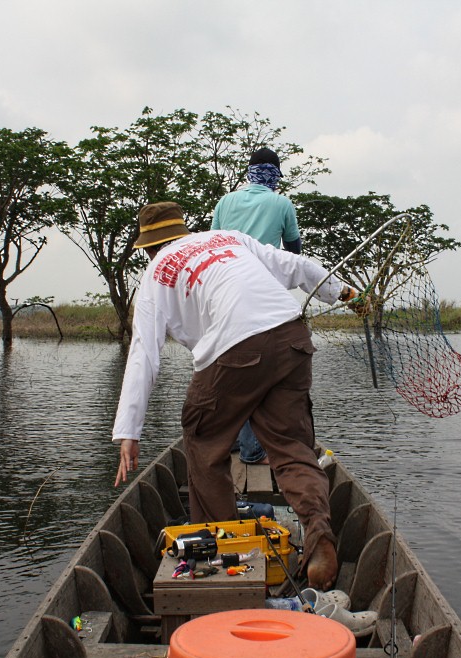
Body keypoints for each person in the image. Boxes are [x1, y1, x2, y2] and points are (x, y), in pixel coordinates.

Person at [112, 201, 362, 592]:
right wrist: (346, 293)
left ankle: (228, 550)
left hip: (233, 349)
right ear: (183, 231)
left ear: (148, 247)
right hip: (290, 334)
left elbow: (144, 354)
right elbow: (298, 267)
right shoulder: (226, 238)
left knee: (203, 439)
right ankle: (318, 534)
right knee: (292, 447)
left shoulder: (154, 275)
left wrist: (130, 432)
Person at [211, 147, 302, 464]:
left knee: (231, 369)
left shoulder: (225, 202)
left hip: (223, 294)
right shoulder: (281, 203)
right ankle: (251, 449)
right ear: (275, 175)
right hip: (262, 298)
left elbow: (213, 246)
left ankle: (232, 442)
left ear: (249, 173)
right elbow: (293, 251)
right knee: (261, 371)